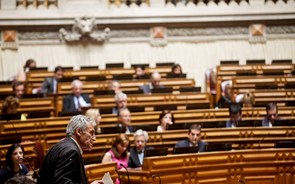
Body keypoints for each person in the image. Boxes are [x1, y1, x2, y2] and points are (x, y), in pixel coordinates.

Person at [37, 115, 102, 184]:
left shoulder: (59, 145)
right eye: (91, 133)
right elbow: (61, 182)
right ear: (78, 132)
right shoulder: (71, 151)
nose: (94, 138)